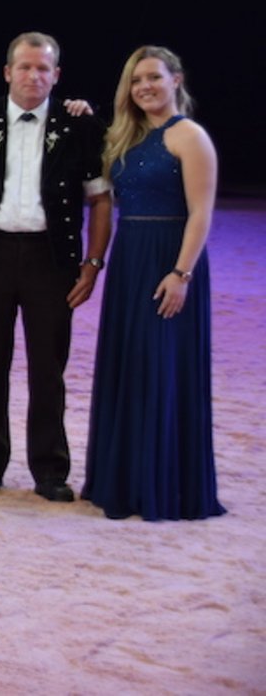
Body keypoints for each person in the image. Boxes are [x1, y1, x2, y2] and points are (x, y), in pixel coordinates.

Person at [0, 32, 111, 503]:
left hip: (51, 260)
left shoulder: (81, 129)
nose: (34, 76)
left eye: (43, 68)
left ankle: (50, 470)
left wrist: (93, 263)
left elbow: (100, 200)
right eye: (25, 67)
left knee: (48, 368)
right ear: (7, 72)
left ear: (57, 75)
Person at [82, 47, 225, 521]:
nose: (144, 87)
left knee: (159, 368)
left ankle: (160, 487)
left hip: (170, 261)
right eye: (136, 80)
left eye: (153, 78)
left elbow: (201, 213)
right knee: (130, 364)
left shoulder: (190, 136)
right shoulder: (127, 135)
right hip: (130, 260)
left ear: (175, 79)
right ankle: (123, 482)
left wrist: (181, 274)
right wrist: (80, 112)